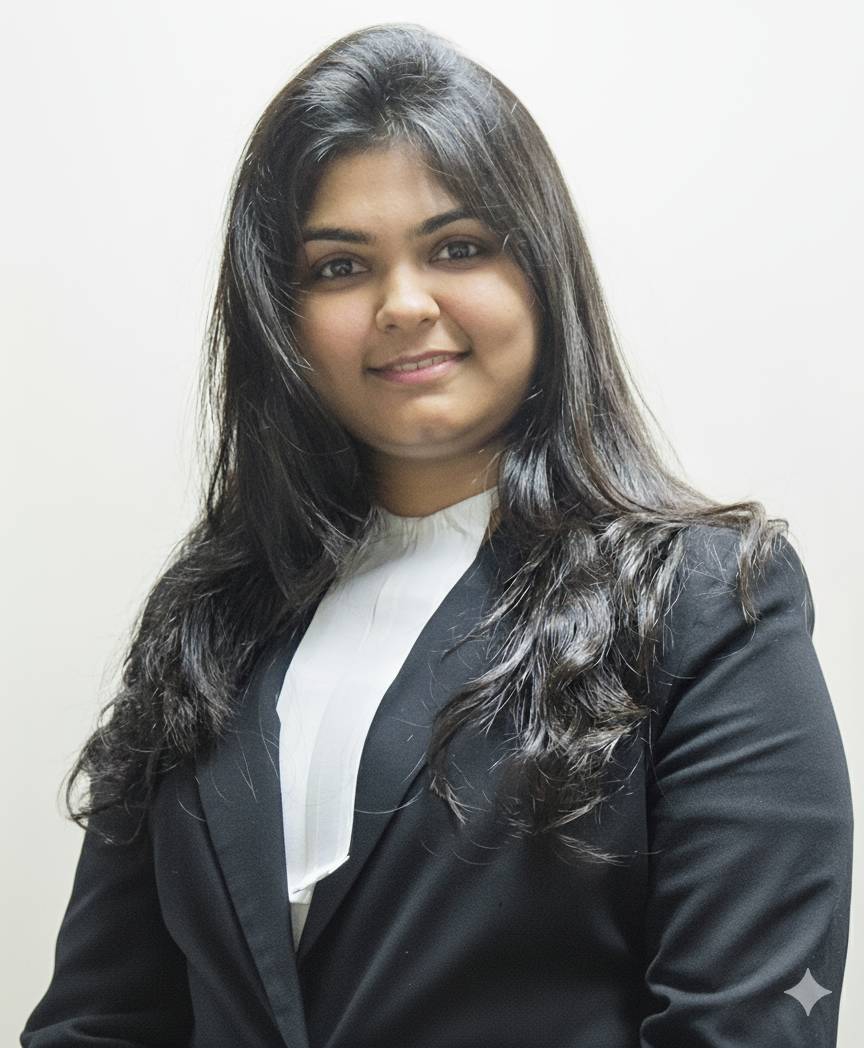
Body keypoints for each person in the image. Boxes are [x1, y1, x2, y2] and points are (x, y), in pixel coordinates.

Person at [21, 21, 853, 1048]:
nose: (403, 304)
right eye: (339, 266)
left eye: (458, 248)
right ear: (279, 313)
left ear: (541, 273)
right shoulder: (207, 621)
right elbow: (100, 1020)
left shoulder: (709, 604)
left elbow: (745, 1027)